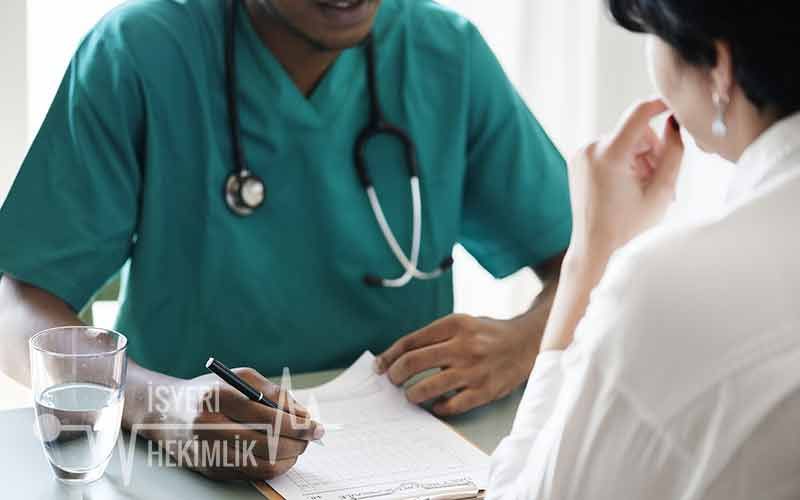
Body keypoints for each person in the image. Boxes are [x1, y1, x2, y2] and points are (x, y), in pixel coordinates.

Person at [0, 0, 571, 480]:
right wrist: (158, 403)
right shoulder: (140, 52)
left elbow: (588, 260)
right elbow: (15, 308)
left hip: (414, 466)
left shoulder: (445, 52)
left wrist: (527, 340)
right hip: (177, 465)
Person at [488, 0, 800, 498]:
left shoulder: (674, 289)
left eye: (651, 35)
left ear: (721, 67)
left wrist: (591, 257)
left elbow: (527, 492)